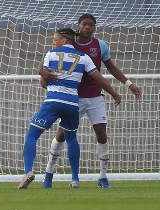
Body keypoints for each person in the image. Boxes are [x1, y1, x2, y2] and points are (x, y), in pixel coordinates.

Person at [40, 13, 141, 189]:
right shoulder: (69, 43)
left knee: (102, 133)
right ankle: (48, 173)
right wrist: (42, 73)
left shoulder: (100, 45)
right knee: (62, 134)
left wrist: (128, 84)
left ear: (94, 27)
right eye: (84, 24)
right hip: (73, 97)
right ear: (78, 26)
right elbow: (47, 63)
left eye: (91, 25)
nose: (87, 27)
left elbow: (111, 68)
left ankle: (103, 177)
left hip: (95, 96)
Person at [17, 28, 121, 189]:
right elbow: (100, 80)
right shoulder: (84, 58)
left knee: (32, 136)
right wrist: (115, 94)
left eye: (55, 39)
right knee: (71, 138)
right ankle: (75, 179)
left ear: (63, 41)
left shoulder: (51, 54)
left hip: (53, 101)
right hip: (73, 103)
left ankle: (28, 172)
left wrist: (48, 79)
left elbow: (43, 83)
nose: (53, 42)